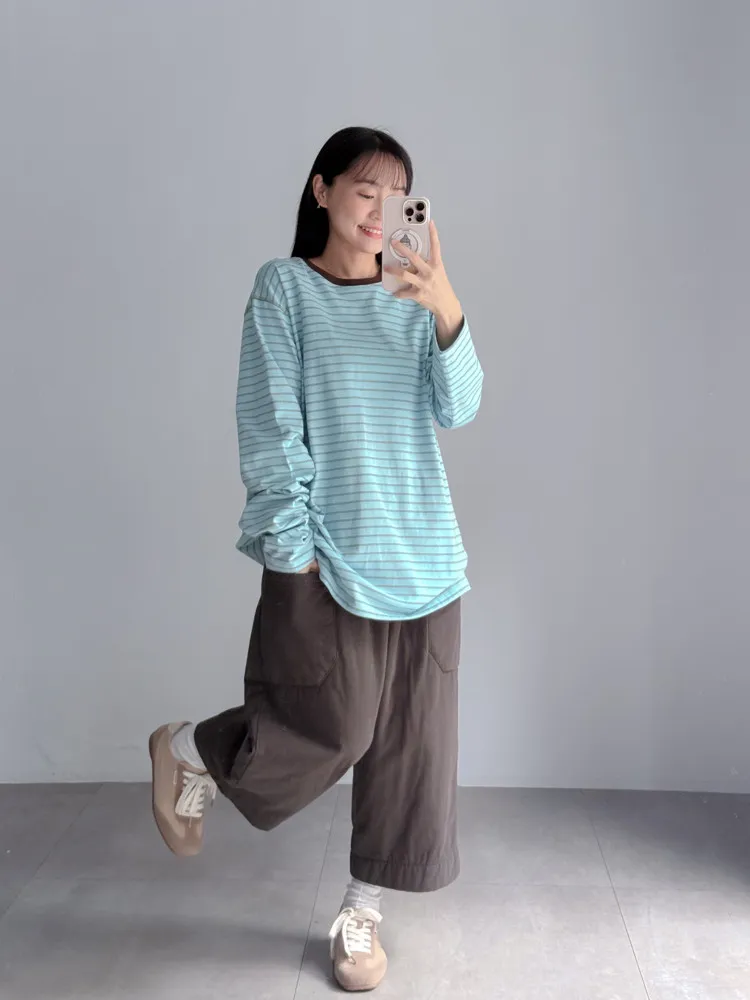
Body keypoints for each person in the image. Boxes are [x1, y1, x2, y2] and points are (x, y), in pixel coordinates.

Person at [149, 126, 483, 993]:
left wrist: (446, 307)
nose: (379, 211)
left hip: (427, 558)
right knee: (334, 725)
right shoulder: (285, 289)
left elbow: (460, 408)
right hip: (330, 557)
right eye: (364, 190)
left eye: (396, 196)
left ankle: (361, 914)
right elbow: (269, 425)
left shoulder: (415, 296)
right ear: (322, 189)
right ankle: (190, 749)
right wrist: (290, 552)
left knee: (409, 751)